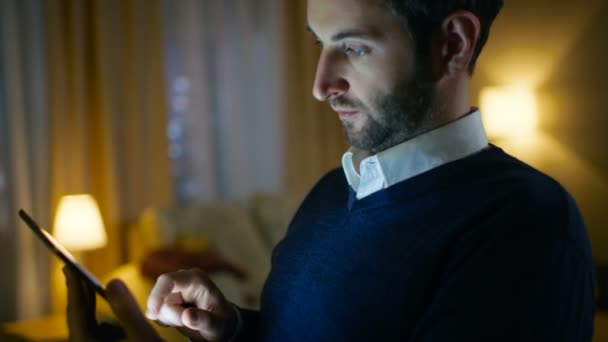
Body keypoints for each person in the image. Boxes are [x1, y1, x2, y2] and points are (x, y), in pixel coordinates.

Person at [65, 0, 596, 341]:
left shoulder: (527, 224)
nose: (321, 85)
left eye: (355, 48)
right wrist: (231, 330)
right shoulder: (330, 192)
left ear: (453, 45)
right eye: (321, 44)